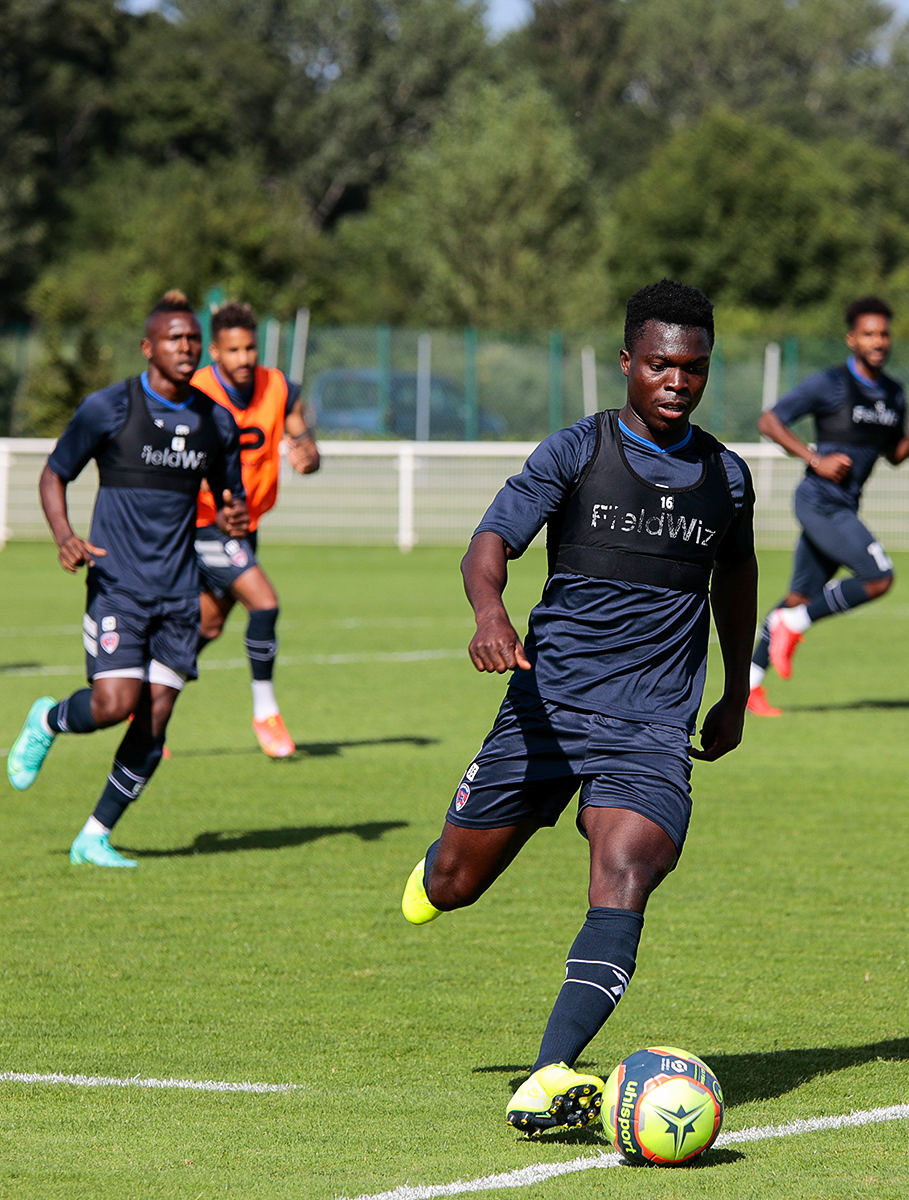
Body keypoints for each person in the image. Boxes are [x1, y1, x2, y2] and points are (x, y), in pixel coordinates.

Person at [400, 280, 758, 1137]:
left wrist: (736, 690)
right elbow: (490, 543)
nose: (679, 382)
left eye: (696, 368)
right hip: (548, 710)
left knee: (627, 868)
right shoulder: (576, 450)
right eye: (663, 365)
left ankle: (548, 1071)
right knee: (453, 884)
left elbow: (736, 582)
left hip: (652, 727)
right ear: (628, 362)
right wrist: (491, 614)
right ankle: (440, 867)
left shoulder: (728, 478)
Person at [5, 291, 247, 867]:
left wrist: (235, 516)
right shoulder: (108, 408)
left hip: (179, 593)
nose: (186, 348)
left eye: (192, 339)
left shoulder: (217, 421)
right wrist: (65, 535)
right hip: (119, 585)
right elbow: (53, 474)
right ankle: (48, 718)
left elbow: (229, 499)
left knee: (156, 718)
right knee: (115, 704)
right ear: (148, 348)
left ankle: (94, 836)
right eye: (174, 339)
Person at [746, 296, 909, 717]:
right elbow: (769, 421)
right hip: (820, 502)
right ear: (851, 338)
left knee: (799, 596)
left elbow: (894, 456)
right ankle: (792, 626)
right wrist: (814, 459)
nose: (878, 341)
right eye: (868, 333)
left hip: (843, 505)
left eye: (884, 333)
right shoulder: (828, 384)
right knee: (879, 576)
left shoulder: (893, 393)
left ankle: (748, 686)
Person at [189, 301, 320, 758]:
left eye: (250, 349)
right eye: (234, 350)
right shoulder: (195, 391)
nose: (244, 359)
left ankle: (147, 694)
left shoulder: (279, 387)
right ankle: (266, 713)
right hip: (204, 523)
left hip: (248, 526)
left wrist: (308, 456)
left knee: (207, 625)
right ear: (214, 351)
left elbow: (301, 438)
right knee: (264, 604)